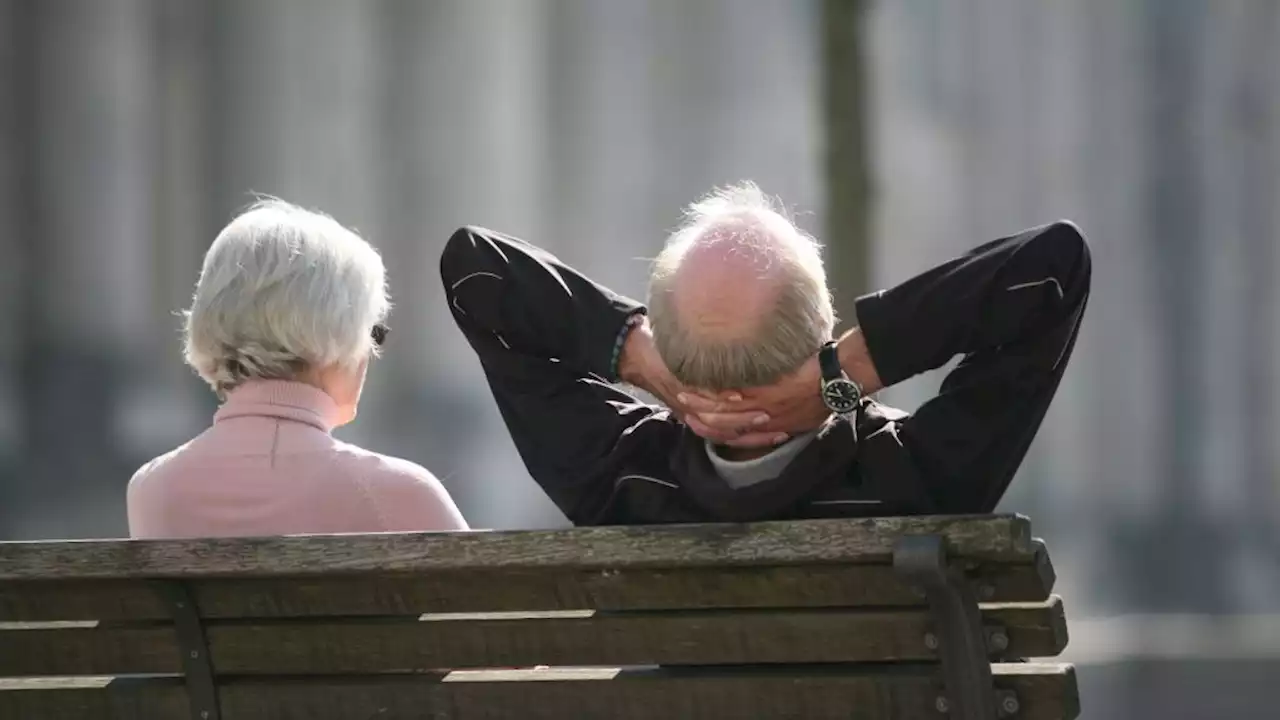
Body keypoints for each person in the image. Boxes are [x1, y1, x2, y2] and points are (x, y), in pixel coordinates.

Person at [440, 182, 1090, 525]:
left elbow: (478, 275)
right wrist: (846, 375)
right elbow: (1052, 271)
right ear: (824, 324)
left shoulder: (617, 481)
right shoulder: (919, 477)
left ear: (675, 347)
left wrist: (642, 362)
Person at [127, 199, 469, 538]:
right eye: (372, 332)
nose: (372, 353)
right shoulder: (399, 492)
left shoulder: (152, 489)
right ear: (340, 331)